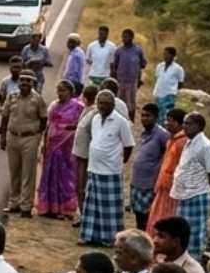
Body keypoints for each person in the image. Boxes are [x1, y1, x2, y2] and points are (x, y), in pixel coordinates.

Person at [73, 89, 135, 247]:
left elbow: (128, 146)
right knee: (91, 205)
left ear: (113, 105)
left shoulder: (121, 122)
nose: (103, 107)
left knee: (109, 208)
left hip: (110, 171)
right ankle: (89, 236)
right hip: (94, 168)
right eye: (100, 103)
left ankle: (109, 239)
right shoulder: (95, 119)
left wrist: (120, 162)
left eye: (107, 104)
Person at [0, 70, 48, 217]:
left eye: (28, 80)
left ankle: (26, 206)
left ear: (33, 83)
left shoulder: (38, 99)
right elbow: (5, 116)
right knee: (14, 171)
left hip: (30, 139)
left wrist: (37, 136)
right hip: (12, 137)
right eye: (22, 80)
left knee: (28, 173)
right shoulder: (12, 96)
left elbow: (44, 119)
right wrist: (2, 136)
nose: (25, 83)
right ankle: (13, 203)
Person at [171, 112, 210, 255]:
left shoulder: (205, 146)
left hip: (197, 196)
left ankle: (193, 263)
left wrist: (204, 190)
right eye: (184, 123)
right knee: (182, 231)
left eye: (189, 124)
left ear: (199, 126)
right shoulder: (190, 142)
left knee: (194, 234)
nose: (184, 126)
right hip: (185, 195)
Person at [36, 81, 85, 220]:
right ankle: (49, 207)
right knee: (50, 175)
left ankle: (65, 209)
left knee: (66, 177)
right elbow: (48, 125)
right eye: (58, 91)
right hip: (52, 146)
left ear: (70, 92)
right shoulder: (54, 105)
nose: (60, 94)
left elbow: (81, 127)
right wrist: (44, 143)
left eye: (63, 91)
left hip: (67, 148)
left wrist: (70, 129)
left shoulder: (78, 107)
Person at [146, 108, 190, 233]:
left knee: (165, 218)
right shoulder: (172, 139)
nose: (166, 123)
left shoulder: (182, 142)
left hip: (172, 188)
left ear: (178, 124)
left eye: (169, 120)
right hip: (163, 186)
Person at [129, 103, 170, 230]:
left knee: (146, 216)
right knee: (137, 213)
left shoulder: (162, 135)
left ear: (156, 117)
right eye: (142, 115)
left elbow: (167, 156)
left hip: (150, 184)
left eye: (148, 116)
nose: (144, 118)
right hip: (137, 182)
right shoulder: (144, 133)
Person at [113, 29, 148, 111]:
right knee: (120, 103)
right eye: (123, 37)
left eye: (126, 37)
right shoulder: (119, 51)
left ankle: (131, 121)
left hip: (132, 82)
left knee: (131, 104)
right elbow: (115, 66)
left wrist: (139, 77)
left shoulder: (138, 50)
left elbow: (143, 64)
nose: (124, 39)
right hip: (121, 81)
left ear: (132, 37)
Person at [153, 47, 187, 115]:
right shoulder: (160, 66)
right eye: (164, 54)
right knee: (158, 115)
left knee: (167, 115)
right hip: (158, 94)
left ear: (173, 56)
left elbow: (180, 83)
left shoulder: (178, 68)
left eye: (167, 54)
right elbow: (157, 79)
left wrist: (172, 91)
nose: (165, 56)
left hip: (169, 95)